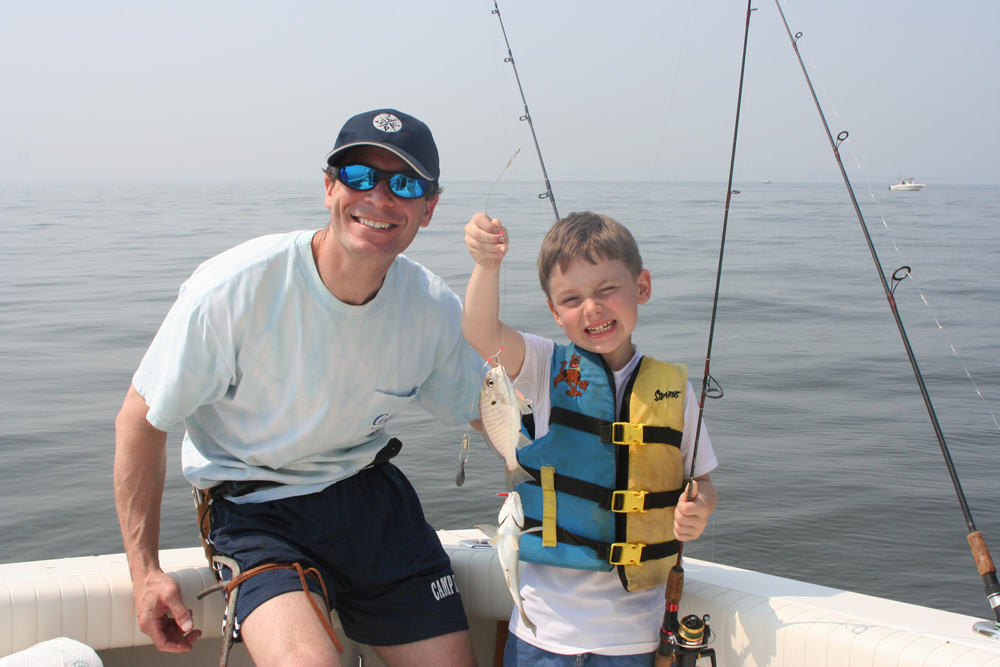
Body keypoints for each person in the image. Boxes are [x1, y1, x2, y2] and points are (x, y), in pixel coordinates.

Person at [114, 109, 483, 667]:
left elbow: (491, 413)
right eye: (360, 176)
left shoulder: (432, 308)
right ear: (329, 186)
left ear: (428, 208)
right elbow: (141, 419)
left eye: (404, 184)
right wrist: (145, 573)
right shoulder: (232, 290)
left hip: (371, 500)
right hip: (254, 509)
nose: (379, 198)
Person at [463, 211, 719, 666]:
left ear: (642, 287)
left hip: (637, 639)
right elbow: (482, 333)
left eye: (607, 290)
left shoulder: (675, 388)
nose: (592, 308)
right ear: (554, 312)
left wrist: (699, 509)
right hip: (544, 636)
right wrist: (487, 264)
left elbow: (699, 481)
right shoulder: (543, 367)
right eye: (572, 298)